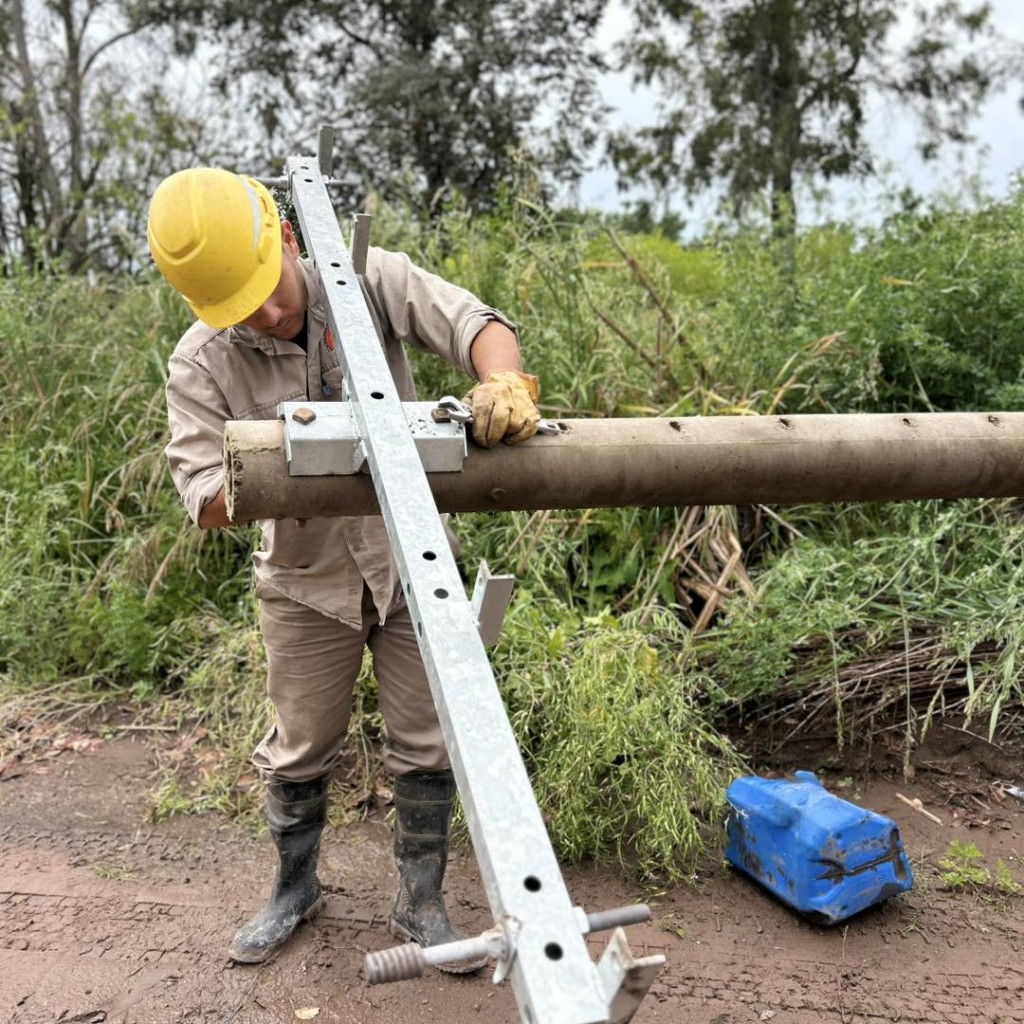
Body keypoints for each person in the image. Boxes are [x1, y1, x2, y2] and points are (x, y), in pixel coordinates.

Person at [147, 167, 541, 970]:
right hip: (303, 582)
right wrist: (290, 460)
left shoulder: (367, 281)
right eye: (239, 307)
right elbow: (201, 493)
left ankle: (420, 900)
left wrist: (503, 378)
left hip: (410, 564)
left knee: (428, 739)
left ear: (287, 237)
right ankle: (295, 889)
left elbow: (474, 323)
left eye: (268, 289)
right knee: (300, 745)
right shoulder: (199, 362)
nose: (264, 313)